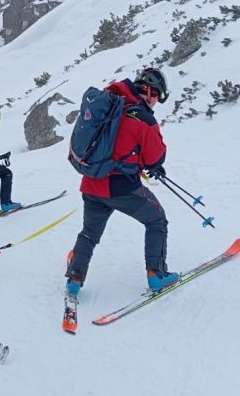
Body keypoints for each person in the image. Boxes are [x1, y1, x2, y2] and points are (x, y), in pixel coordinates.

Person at [66, 68, 179, 295]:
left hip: (91, 183)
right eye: (157, 96)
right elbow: (156, 157)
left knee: (89, 233)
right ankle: (157, 275)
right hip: (122, 189)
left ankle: (74, 280)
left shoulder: (109, 104)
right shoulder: (143, 119)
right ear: (148, 91)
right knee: (157, 221)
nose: (155, 101)